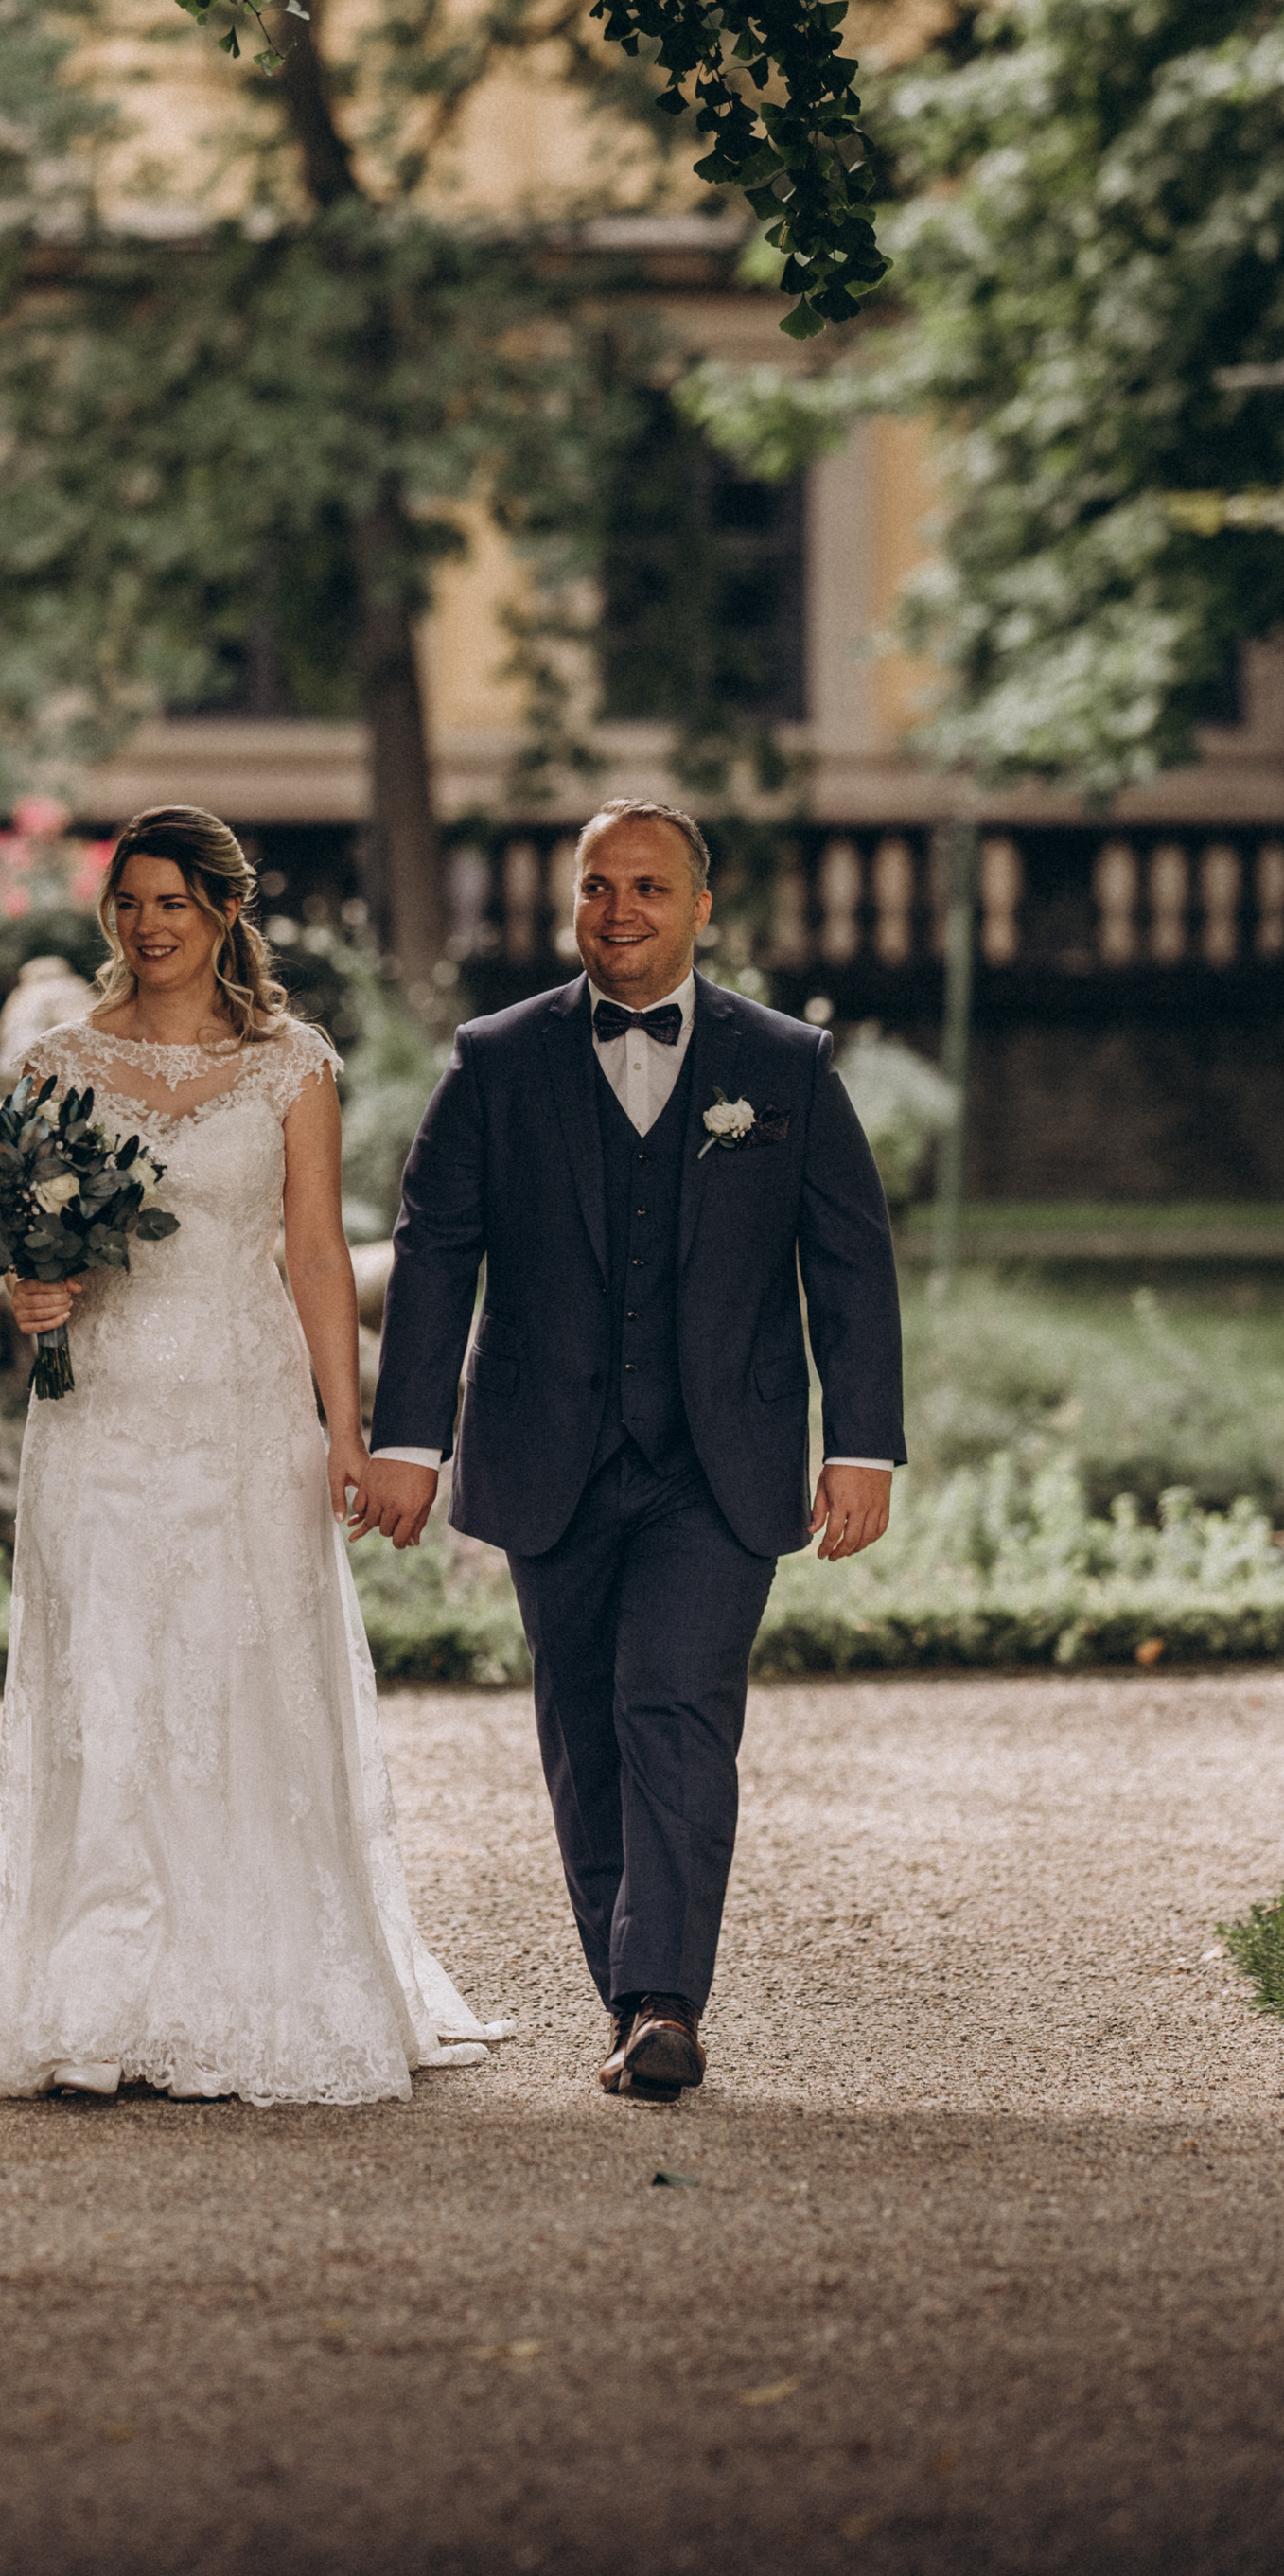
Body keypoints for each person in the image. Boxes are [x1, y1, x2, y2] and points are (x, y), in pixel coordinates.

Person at [0, 804, 511, 2107]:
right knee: (107, 1674)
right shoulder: (55, 1063)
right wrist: (29, 1292)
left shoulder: (291, 1064)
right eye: (131, 902)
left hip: (243, 1405)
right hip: (98, 1413)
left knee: (243, 1674)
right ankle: (96, 1991)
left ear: (223, 911)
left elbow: (317, 1256)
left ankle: (254, 1978)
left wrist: (347, 1426)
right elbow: (26, 1256)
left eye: (174, 901)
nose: (150, 924)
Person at [366, 799, 904, 2105]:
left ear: (700, 907)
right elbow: (436, 1254)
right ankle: (632, 1991)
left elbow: (850, 1260)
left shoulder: (784, 1063)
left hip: (720, 1457)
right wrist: (406, 1439)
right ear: (573, 904)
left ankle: (668, 1997)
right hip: (550, 1447)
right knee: (583, 1730)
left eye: (648, 887)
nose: (620, 911)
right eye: (597, 887)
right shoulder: (495, 1060)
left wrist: (865, 1445)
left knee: (674, 1704)